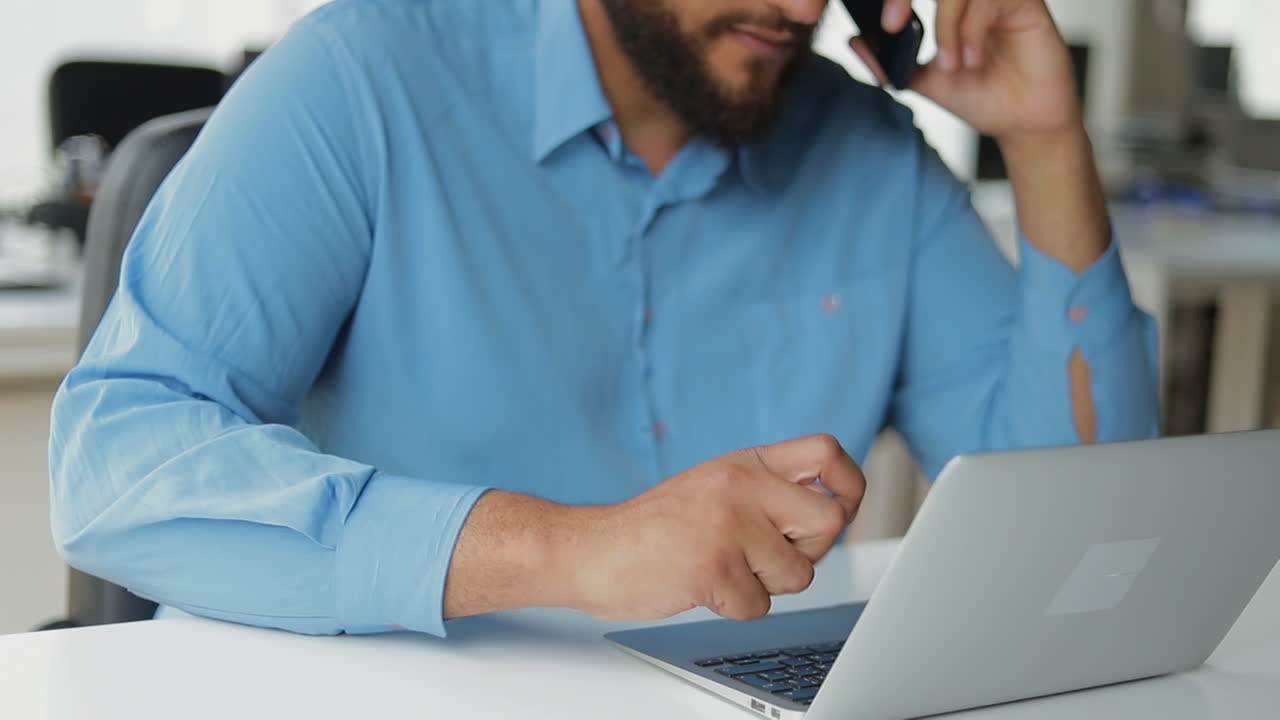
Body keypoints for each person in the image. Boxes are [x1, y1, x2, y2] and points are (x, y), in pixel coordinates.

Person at [49, 0, 1158, 637]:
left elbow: (1082, 545)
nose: (790, 2)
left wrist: (1044, 141)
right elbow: (114, 467)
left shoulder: (869, 156)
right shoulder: (364, 75)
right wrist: (569, 550)